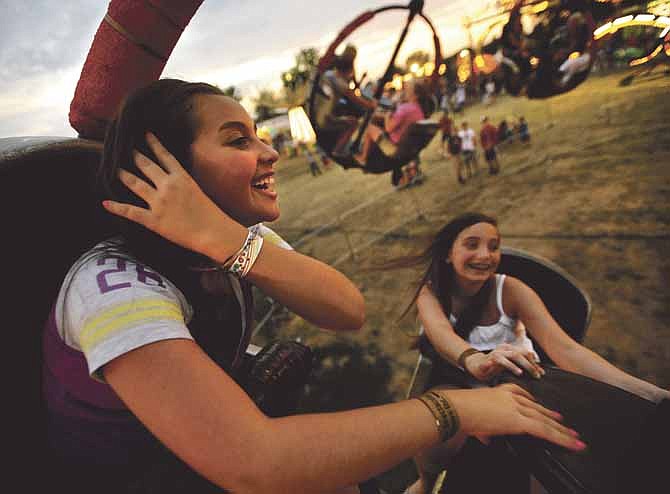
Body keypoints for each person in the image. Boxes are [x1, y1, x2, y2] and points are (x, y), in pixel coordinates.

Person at [43, 79, 586, 494]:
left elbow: (345, 309)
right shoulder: (113, 289)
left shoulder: (240, 239)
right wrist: (454, 409)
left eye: (258, 133)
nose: (270, 151)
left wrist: (227, 241)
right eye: (238, 140)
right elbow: (255, 462)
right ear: (166, 169)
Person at [391, 212, 670, 494]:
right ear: (448, 253)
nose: (485, 255)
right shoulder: (431, 293)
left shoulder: (511, 290)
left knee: (552, 452)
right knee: (433, 428)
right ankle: (426, 484)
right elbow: (441, 335)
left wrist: (650, 394)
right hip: (462, 380)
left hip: (519, 381)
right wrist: (474, 359)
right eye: (472, 244)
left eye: (494, 245)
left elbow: (567, 349)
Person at [352, 80, 431, 167]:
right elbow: (401, 118)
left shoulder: (404, 108)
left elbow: (388, 128)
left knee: (370, 128)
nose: (404, 92)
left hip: (395, 149)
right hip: (408, 146)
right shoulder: (418, 108)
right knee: (377, 121)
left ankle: (363, 158)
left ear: (416, 95)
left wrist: (387, 116)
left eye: (408, 90)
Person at [322, 46, 377, 159]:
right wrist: (372, 105)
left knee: (350, 117)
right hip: (326, 118)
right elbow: (354, 97)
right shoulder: (340, 82)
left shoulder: (329, 74)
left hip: (326, 114)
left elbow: (352, 90)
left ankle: (342, 148)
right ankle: (338, 152)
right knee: (353, 122)